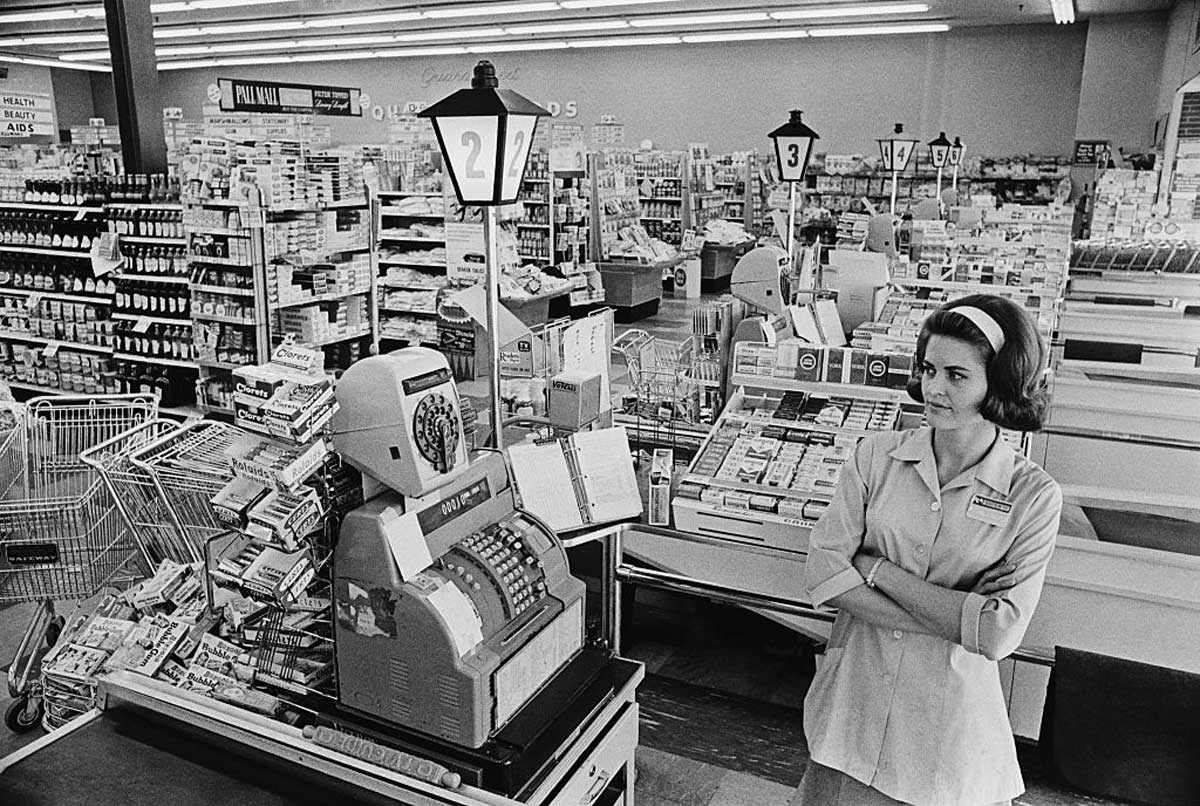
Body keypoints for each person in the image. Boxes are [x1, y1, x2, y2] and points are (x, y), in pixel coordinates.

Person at [799, 294, 1063, 806]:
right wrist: (958, 617)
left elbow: (998, 632)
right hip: (853, 708)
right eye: (928, 369)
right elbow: (824, 572)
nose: (932, 388)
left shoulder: (1033, 496)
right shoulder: (876, 456)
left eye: (956, 376)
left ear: (1000, 384)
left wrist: (876, 570)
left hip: (947, 737)